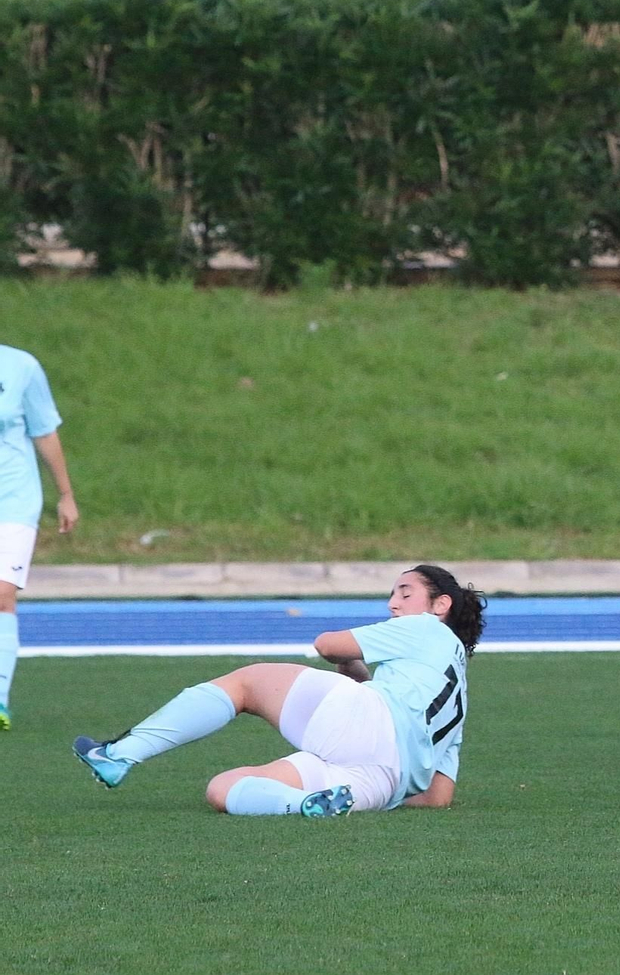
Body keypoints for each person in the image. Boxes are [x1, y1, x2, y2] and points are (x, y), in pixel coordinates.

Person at [71, 565, 484, 816]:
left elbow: (327, 644)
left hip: (367, 726)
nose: (393, 603)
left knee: (246, 684)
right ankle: (303, 806)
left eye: (404, 593)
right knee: (224, 788)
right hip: (383, 780)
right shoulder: (459, 695)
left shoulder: (425, 626)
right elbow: (436, 797)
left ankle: (119, 754)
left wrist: (350, 663)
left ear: (440, 605)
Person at [0, 343, 79, 731]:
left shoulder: (20, 366)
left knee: (1, 592)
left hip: (12, 499)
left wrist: (65, 494)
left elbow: (44, 431)